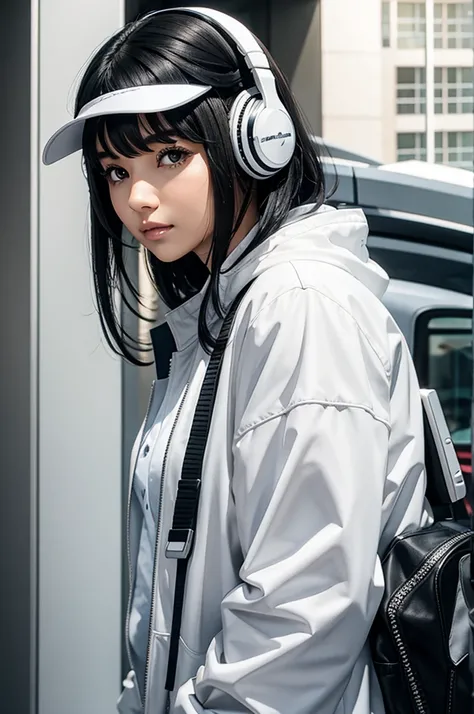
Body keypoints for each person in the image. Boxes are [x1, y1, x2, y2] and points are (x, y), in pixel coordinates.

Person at [43, 7, 430, 714]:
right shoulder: (224, 319)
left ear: (259, 138)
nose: (137, 197)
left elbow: (303, 614)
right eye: (114, 169)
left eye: (169, 155)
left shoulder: (301, 309)